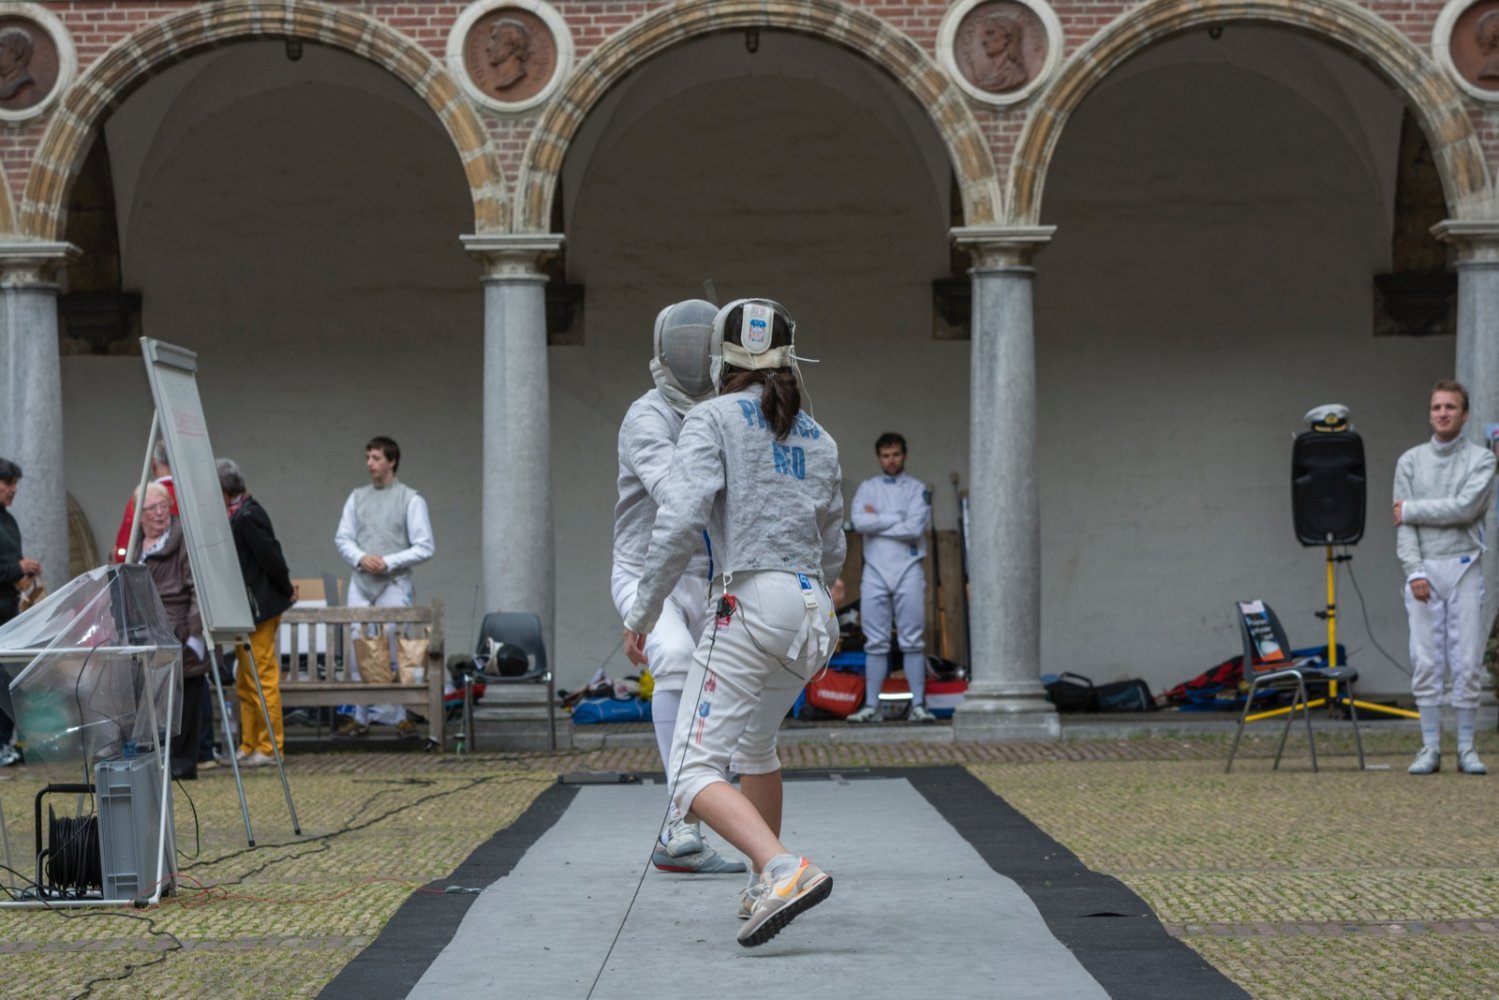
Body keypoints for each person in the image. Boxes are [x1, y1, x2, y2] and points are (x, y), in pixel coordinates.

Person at [623, 298, 844, 948]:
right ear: (789, 357)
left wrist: (642, 611)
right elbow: (834, 545)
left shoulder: (711, 417)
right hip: (813, 614)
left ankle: (781, 867)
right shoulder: (819, 436)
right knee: (755, 747)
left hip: (750, 601)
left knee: (692, 772)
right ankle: (758, 883)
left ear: (721, 359)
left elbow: (679, 520)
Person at [612, 298, 744, 875]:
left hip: (713, 576)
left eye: (700, 344)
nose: (692, 356)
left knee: (725, 686)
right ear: (664, 352)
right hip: (648, 572)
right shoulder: (646, 417)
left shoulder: (727, 411)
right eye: (682, 345)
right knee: (674, 655)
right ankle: (681, 824)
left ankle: (691, 822)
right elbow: (677, 495)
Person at [1394, 379, 1497, 776]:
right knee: (1425, 660)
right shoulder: (1409, 461)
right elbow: (1404, 528)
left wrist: (1412, 509)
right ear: (1430, 413)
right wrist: (1414, 571)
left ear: (1464, 414)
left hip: (1465, 565)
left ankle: (1466, 748)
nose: (1443, 413)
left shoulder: (1482, 460)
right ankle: (1430, 747)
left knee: (1467, 660)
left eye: (1450, 407)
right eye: (1437, 407)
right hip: (1424, 569)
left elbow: (1465, 508)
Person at [334, 436, 434, 737]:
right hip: (361, 582)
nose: (370, 463)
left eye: (376, 457)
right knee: (358, 644)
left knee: (394, 643)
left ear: (392, 461)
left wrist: (388, 562)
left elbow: (425, 545)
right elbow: (343, 538)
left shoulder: (410, 499)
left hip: (394, 582)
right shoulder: (357, 497)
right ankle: (361, 716)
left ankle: (401, 715)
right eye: (367, 457)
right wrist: (361, 558)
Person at [847, 432, 934, 724]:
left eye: (896, 454)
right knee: (875, 641)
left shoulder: (917, 488)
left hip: (909, 567)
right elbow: (859, 522)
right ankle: (871, 706)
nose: (891, 460)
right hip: (875, 569)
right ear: (879, 458)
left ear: (904, 455)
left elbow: (915, 528)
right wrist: (897, 517)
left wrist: (879, 521)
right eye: (886, 455)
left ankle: (918, 705)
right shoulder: (868, 488)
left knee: (912, 640)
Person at [220, 459, 296, 767]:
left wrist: (286, 587)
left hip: (259, 609)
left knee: (261, 677)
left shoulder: (247, 516)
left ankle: (270, 746)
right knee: (245, 679)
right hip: (248, 611)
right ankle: (249, 743)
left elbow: (271, 557)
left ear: (225, 491)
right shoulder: (240, 513)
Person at [138, 483, 209, 780]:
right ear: (140, 513)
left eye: (164, 506)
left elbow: (197, 589)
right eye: (152, 508)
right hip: (144, 635)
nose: (159, 513)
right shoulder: (136, 543)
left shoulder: (182, 540)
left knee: (184, 699)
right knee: (150, 702)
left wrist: (194, 636)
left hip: (178, 631)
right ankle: (155, 760)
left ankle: (180, 764)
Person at [0, 458, 42, 766]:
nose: (13, 489)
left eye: (15, 483)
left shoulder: (10, 521)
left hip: (9, 614)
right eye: (8, 483)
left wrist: (25, 574)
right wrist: (17, 567)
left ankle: (5, 743)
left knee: (10, 681)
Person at [112, 440, 176, 563]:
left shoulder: (144, 498)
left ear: (153, 464)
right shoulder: (194, 498)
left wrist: (119, 557)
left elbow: (125, 546)